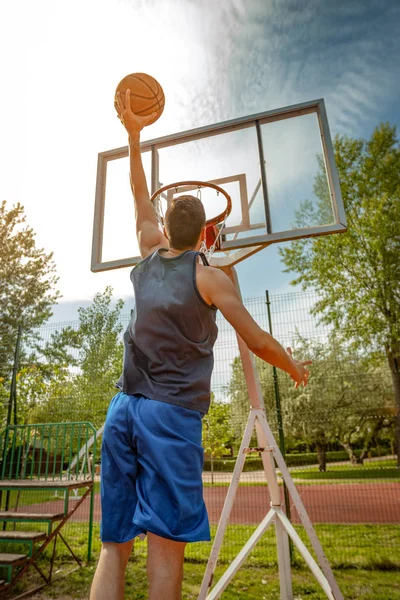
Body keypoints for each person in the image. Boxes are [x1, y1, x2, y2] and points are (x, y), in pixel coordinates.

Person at [90, 90, 311, 600]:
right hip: (169, 417)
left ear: (164, 228)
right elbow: (255, 339)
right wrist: (293, 366)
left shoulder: (147, 252)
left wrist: (133, 133)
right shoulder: (210, 277)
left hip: (122, 409)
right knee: (166, 548)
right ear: (208, 232)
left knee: (113, 546)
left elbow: (138, 193)